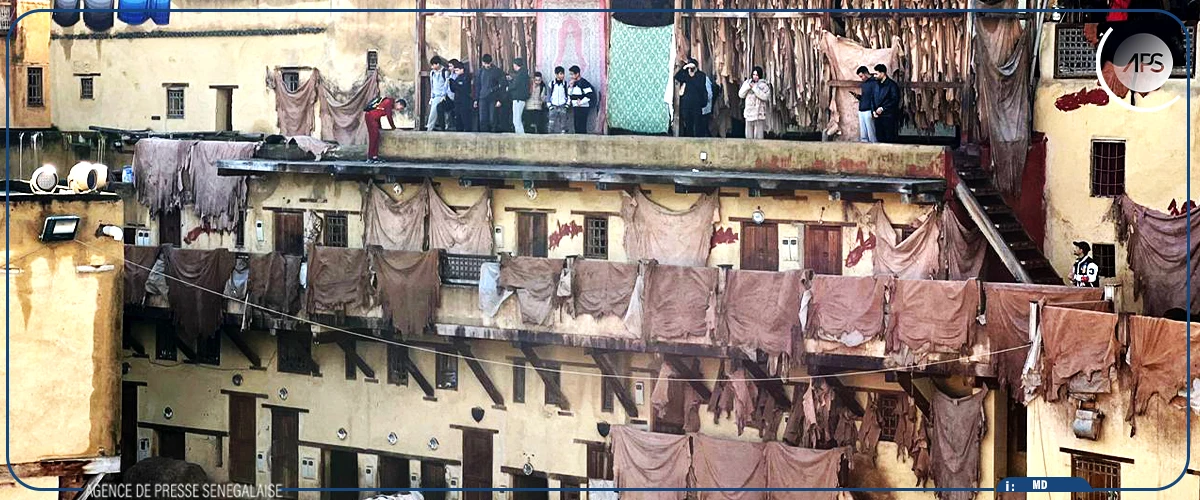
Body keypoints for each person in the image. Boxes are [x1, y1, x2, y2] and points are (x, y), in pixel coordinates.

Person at [674, 58, 709, 137]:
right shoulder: (685, 74)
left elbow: (699, 86)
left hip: (697, 104)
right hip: (686, 104)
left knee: (697, 124)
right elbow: (677, 77)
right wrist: (684, 68)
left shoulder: (701, 75)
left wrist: (693, 75)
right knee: (688, 124)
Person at [364, 96, 405, 163]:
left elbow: (378, 112)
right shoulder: (389, 102)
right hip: (370, 117)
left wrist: (380, 126)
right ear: (399, 104)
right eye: (401, 108)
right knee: (373, 137)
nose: (399, 110)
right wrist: (393, 128)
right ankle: (370, 157)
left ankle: (375, 156)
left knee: (376, 137)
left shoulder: (389, 103)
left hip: (374, 118)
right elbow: (389, 117)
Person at [474, 54, 505, 133]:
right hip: (482, 97)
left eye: (488, 63)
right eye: (485, 63)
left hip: (493, 97)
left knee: (492, 119)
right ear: (483, 63)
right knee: (482, 119)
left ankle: (493, 134)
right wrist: (476, 99)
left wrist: (500, 99)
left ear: (491, 62)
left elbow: (502, 86)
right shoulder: (480, 71)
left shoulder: (497, 71)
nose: (487, 65)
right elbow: (477, 86)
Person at [738, 66, 771, 140]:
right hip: (749, 113)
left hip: (758, 114)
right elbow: (741, 94)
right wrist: (748, 87)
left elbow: (765, 97)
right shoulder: (747, 83)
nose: (755, 77)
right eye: (754, 75)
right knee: (748, 136)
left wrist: (755, 88)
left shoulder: (764, 85)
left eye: (757, 75)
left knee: (758, 137)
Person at [872, 64, 901, 143]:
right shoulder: (876, 85)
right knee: (879, 138)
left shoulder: (892, 85)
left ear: (882, 73)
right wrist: (873, 110)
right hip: (878, 117)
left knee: (890, 139)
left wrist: (883, 108)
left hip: (889, 117)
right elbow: (872, 98)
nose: (875, 76)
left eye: (876, 74)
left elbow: (895, 100)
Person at [567, 65, 595, 135]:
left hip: (583, 107)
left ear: (577, 74)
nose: (571, 76)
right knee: (576, 125)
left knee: (581, 126)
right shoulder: (573, 83)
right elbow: (569, 94)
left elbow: (589, 95)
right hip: (576, 107)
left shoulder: (584, 83)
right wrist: (570, 86)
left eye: (572, 74)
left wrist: (581, 102)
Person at [448, 59, 474, 132]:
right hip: (457, 101)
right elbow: (454, 90)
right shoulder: (457, 78)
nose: (456, 72)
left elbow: (465, 89)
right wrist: (451, 83)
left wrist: (456, 85)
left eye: (457, 70)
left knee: (465, 118)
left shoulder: (466, 77)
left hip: (464, 101)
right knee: (458, 118)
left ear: (462, 69)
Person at [507, 58, 531, 134]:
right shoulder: (524, 74)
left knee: (516, 120)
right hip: (521, 99)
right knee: (517, 119)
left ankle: (520, 136)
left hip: (518, 99)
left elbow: (515, 85)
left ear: (515, 65)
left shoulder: (520, 75)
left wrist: (508, 87)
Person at [426, 56, 451, 131]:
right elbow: (432, 85)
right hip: (435, 95)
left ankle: (430, 127)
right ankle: (433, 126)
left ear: (438, 64)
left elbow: (446, 85)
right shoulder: (432, 73)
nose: (432, 67)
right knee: (433, 110)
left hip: (442, 95)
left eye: (433, 65)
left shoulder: (445, 72)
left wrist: (443, 95)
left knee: (435, 111)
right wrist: (431, 96)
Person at [855, 66, 878, 143]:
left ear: (865, 73)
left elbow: (875, 97)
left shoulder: (875, 82)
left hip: (869, 109)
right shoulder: (864, 84)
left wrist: (873, 110)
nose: (861, 78)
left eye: (862, 76)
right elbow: (865, 96)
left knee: (871, 133)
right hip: (861, 109)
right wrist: (858, 97)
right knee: (863, 135)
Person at [547, 66, 571, 134]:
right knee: (551, 124)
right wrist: (550, 106)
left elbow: (568, 94)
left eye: (563, 73)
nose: (562, 75)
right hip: (553, 106)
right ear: (556, 74)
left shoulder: (566, 84)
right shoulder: (551, 84)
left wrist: (567, 105)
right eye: (561, 74)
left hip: (562, 105)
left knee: (564, 124)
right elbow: (548, 95)